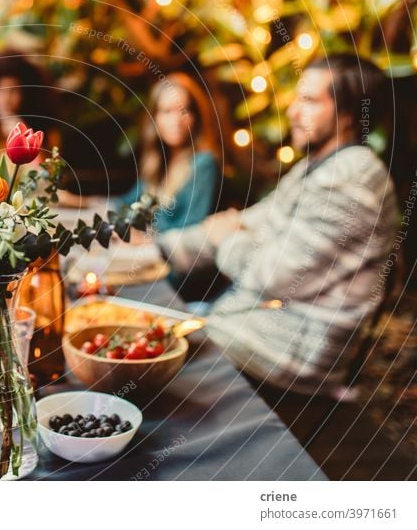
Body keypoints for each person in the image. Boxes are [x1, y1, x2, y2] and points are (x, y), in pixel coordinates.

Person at [155, 54, 398, 396]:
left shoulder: (352, 179)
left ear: (347, 116)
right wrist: (156, 248)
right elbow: (245, 222)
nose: (293, 112)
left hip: (284, 355)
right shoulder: (317, 168)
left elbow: (275, 275)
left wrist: (229, 241)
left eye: (309, 101)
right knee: (141, 329)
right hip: (245, 327)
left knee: (144, 364)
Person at [121, 72, 221, 233]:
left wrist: (145, 238)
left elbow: (192, 226)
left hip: (179, 255)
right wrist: (79, 201)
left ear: (196, 117)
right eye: (167, 111)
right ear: (155, 117)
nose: (176, 121)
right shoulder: (157, 162)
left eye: (184, 110)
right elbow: (125, 203)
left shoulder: (204, 163)